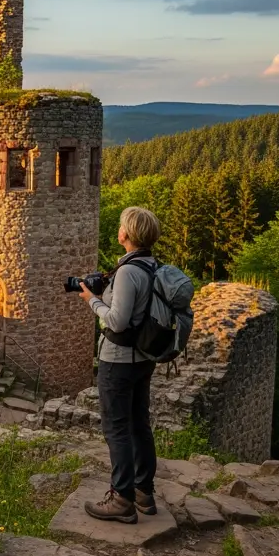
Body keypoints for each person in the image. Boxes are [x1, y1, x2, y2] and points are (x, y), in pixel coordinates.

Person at [77, 206, 162, 524]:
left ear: (128, 233)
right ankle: (143, 493)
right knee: (140, 423)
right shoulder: (151, 265)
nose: (118, 229)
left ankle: (122, 500)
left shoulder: (128, 271)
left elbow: (118, 320)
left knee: (117, 429)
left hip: (119, 360)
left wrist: (91, 300)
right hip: (143, 358)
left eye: (122, 226)